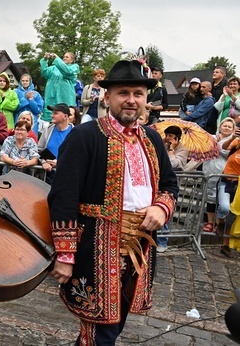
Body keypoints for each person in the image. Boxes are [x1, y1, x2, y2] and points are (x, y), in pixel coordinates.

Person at [48, 60, 178, 345]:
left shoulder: (153, 139)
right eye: (123, 93)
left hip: (140, 249)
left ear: (146, 99)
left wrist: (161, 207)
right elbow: (63, 196)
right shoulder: (85, 136)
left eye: (138, 94)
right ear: (107, 97)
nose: (131, 100)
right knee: (100, 331)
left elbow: (169, 185)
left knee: (113, 325)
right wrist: (66, 255)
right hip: (95, 249)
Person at [202, 118, 235, 233]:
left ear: (233, 130)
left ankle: (219, 222)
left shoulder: (234, 141)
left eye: (229, 127)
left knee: (222, 201)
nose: (226, 128)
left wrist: (220, 143)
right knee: (210, 198)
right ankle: (210, 222)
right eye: (224, 126)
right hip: (209, 171)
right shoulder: (211, 137)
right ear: (220, 127)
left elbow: (225, 151)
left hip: (224, 174)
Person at [215, 114, 240, 257]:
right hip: (227, 182)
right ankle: (220, 222)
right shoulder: (236, 143)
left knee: (234, 217)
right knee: (224, 208)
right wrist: (232, 137)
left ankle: (225, 245)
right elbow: (223, 147)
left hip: (239, 186)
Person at [40, 52, 80, 128]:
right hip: (53, 97)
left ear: (72, 60)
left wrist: (56, 59)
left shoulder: (74, 67)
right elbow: (44, 72)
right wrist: (45, 60)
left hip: (65, 97)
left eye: (67, 57)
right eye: (64, 56)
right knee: (52, 119)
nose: (64, 58)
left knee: (65, 118)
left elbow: (67, 71)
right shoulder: (53, 68)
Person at [38, 103, 74, 181]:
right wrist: (44, 162)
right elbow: (39, 150)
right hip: (48, 175)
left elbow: (78, 157)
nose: (52, 115)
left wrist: (60, 163)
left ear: (65, 116)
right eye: (52, 113)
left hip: (67, 176)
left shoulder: (75, 132)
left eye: (56, 113)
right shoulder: (48, 129)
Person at [207, 65, 229, 133]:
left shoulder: (227, 84)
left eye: (217, 72)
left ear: (223, 74)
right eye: (214, 72)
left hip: (221, 111)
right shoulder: (211, 85)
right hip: (210, 111)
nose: (214, 73)